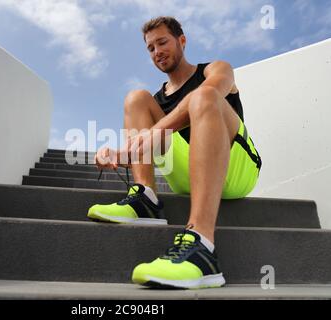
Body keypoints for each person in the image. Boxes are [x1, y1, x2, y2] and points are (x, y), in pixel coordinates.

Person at [87, 16, 262, 289]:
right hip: (187, 175)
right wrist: (119, 153)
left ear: (182, 40)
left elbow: (213, 89)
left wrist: (153, 133)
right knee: (136, 98)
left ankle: (202, 248)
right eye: (150, 48)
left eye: (162, 42)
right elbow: (145, 139)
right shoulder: (156, 102)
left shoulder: (214, 69)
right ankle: (145, 199)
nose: (157, 51)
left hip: (237, 169)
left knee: (203, 97)